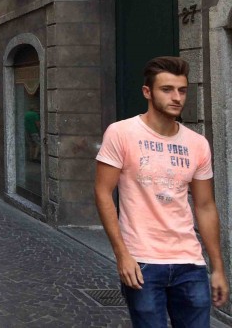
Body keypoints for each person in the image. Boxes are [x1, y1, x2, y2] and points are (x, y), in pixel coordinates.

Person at [95, 56, 229, 327]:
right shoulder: (121, 133)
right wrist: (122, 255)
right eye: (167, 89)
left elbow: (205, 206)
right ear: (148, 92)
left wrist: (217, 268)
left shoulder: (197, 144)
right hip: (143, 262)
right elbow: (102, 193)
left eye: (182, 90)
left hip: (190, 263)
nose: (177, 97)